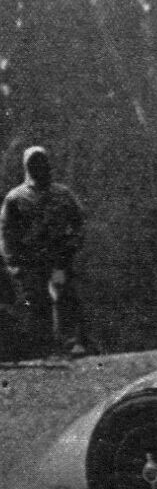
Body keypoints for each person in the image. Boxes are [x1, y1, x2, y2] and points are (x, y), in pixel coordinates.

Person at [0, 145, 86, 355]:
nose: (38, 167)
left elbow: (79, 222)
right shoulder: (16, 198)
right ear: (26, 167)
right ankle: (45, 346)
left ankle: (70, 341)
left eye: (41, 162)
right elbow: (6, 232)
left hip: (59, 257)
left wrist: (72, 245)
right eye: (33, 163)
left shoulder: (62, 194)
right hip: (31, 261)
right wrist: (13, 262)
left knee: (64, 295)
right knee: (38, 302)